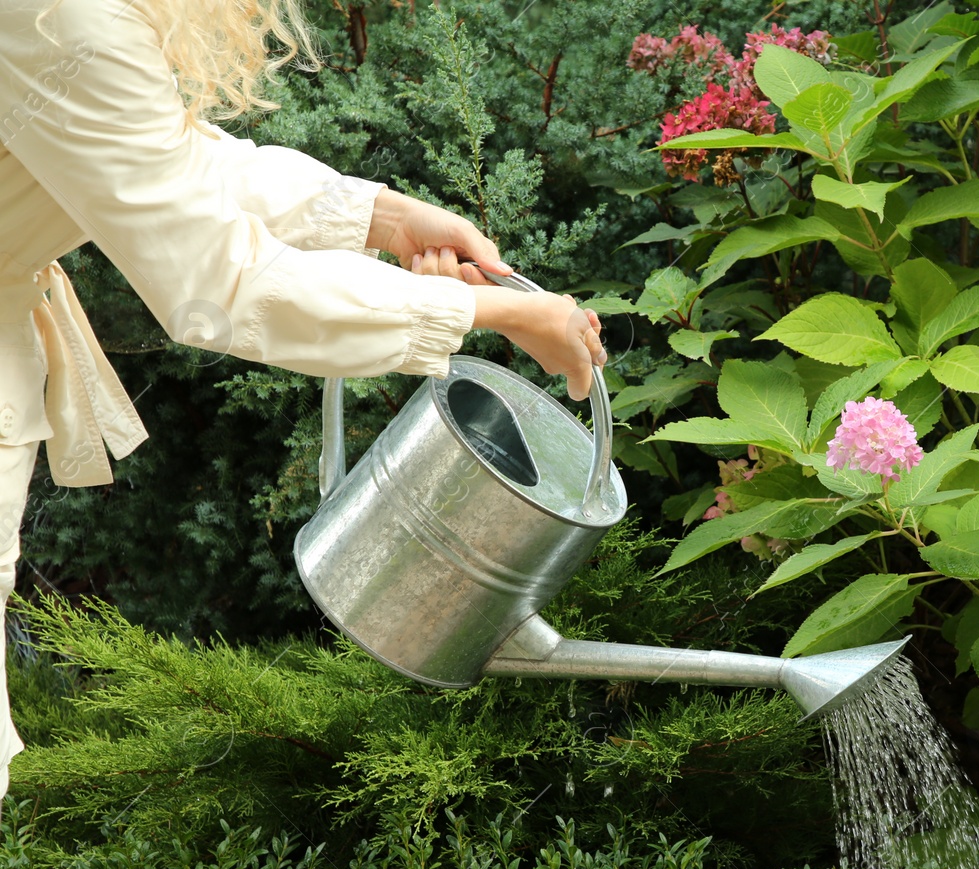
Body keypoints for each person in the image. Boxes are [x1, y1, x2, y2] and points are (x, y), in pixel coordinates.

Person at [0, 0, 607, 810]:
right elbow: (221, 279)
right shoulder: (69, 18)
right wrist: (494, 315)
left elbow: (167, 159)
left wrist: (381, 216)